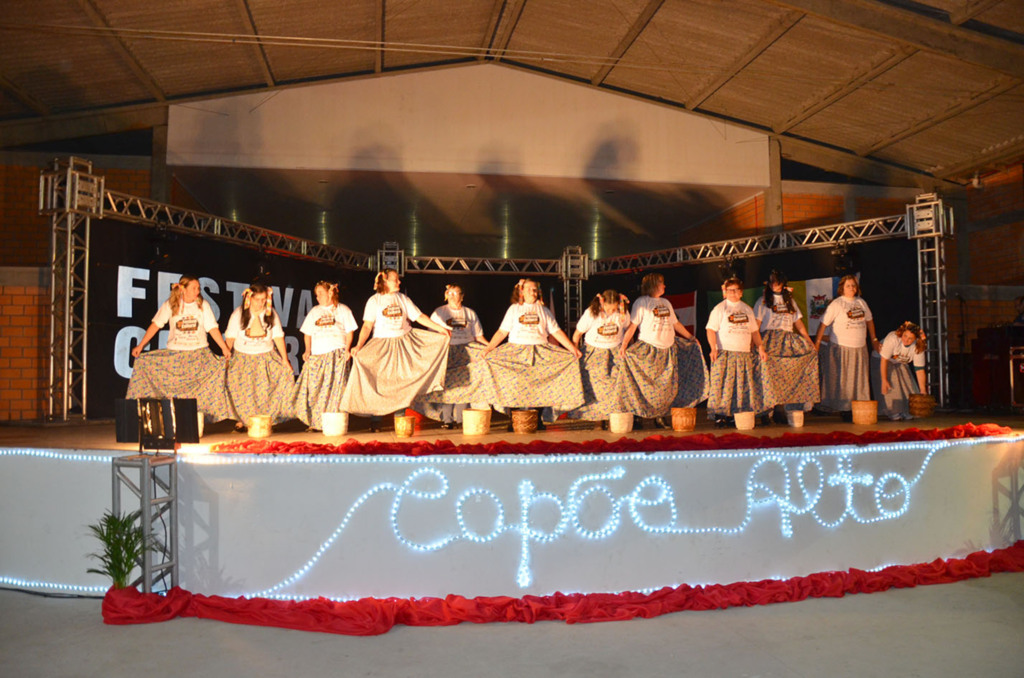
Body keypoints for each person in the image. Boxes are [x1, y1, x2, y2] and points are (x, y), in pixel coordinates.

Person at [340, 269, 451, 430]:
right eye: (395, 280)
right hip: (382, 344)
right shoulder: (375, 300)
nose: (399, 282)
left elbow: (419, 317)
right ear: (385, 281)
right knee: (381, 382)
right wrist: (359, 345)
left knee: (401, 382)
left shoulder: (402, 298)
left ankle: (400, 421)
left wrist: (440, 329)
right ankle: (376, 421)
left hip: (404, 343)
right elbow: (367, 325)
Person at [473, 278, 583, 430]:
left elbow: (556, 331)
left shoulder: (544, 311)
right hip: (516, 351)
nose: (533, 291)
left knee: (541, 387)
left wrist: (572, 349)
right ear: (521, 292)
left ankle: (537, 419)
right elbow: (502, 331)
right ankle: (515, 420)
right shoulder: (514, 309)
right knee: (514, 386)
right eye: (530, 289)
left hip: (540, 350)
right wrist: (489, 348)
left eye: (535, 289)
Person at [127, 275, 232, 422]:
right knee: (148, 366)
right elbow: (156, 325)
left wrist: (224, 348)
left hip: (199, 354)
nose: (198, 291)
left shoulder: (203, 305)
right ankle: (170, 419)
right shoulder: (171, 305)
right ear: (183, 289)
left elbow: (212, 328)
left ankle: (196, 420)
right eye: (194, 288)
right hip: (176, 354)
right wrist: (141, 345)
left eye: (198, 288)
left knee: (209, 379)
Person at [618, 272, 708, 428]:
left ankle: (660, 417)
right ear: (653, 284)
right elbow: (633, 326)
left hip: (667, 350)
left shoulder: (666, 303)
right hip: (649, 349)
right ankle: (639, 416)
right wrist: (624, 344)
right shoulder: (642, 302)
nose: (664, 286)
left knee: (666, 387)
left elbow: (675, 324)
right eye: (661, 282)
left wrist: (691, 337)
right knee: (647, 386)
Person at [223, 284, 295, 431]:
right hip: (243, 357)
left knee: (265, 390)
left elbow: (278, 336)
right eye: (257, 299)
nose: (261, 303)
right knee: (243, 391)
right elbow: (230, 337)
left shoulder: (270, 313)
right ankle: (242, 420)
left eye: (264, 299)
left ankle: (266, 419)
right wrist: (226, 356)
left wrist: (285, 360)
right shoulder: (239, 314)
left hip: (265, 356)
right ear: (249, 298)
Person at [288, 281, 358, 431]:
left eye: (320, 293)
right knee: (315, 389)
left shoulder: (343, 310)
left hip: (337, 353)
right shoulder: (314, 311)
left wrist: (347, 349)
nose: (317, 297)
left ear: (330, 293)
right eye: (316, 294)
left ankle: (332, 424)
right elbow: (307, 334)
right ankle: (315, 422)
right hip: (318, 354)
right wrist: (307, 350)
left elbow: (349, 332)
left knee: (336, 390)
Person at [415, 284, 487, 429]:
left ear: (462, 296)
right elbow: (432, 335)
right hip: (447, 350)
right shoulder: (439, 312)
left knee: (464, 384)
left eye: (456, 293)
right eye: (450, 293)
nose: (452, 296)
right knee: (448, 386)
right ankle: (447, 420)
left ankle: (461, 420)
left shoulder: (470, 313)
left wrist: (491, 348)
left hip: (467, 351)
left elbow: (479, 336)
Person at [753, 270, 819, 424]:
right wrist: (757, 345)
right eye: (772, 282)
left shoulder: (790, 300)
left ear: (783, 283)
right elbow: (756, 326)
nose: (775, 285)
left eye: (778, 281)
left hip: (788, 340)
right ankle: (767, 411)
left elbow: (799, 323)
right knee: (769, 375)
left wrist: (810, 342)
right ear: (768, 284)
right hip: (770, 340)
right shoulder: (762, 301)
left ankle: (787, 407)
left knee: (788, 373)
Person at [814, 274, 880, 421]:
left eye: (854, 285)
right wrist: (817, 344)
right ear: (842, 288)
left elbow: (869, 321)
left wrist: (874, 339)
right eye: (848, 285)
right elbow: (823, 324)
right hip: (841, 347)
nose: (852, 288)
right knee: (843, 380)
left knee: (858, 379)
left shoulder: (861, 303)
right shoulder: (837, 304)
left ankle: (857, 407)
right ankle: (844, 409)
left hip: (859, 347)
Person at [706, 276, 769, 426]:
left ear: (741, 292)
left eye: (735, 290)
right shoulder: (720, 308)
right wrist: (713, 348)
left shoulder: (747, 309)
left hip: (743, 353)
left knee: (740, 385)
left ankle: (736, 413)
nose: (732, 293)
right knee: (723, 385)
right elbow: (710, 329)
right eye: (729, 290)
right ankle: (720, 414)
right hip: (725, 352)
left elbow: (754, 332)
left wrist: (760, 347)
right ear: (725, 292)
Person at [567, 290, 630, 427]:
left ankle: (612, 418)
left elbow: (628, 330)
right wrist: (574, 352)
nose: (612, 311)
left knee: (616, 384)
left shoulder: (622, 312)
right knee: (596, 387)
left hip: (615, 352)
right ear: (602, 303)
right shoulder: (591, 313)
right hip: (595, 352)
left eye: (614, 308)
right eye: (608, 308)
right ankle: (598, 419)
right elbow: (577, 334)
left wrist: (625, 347)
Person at [872, 321, 927, 420]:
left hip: (899, 362)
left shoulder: (918, 347)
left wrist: (923, 390)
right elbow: (884, 360)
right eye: (905, 336)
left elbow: (919, 370)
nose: (906, 340)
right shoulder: (893, 338)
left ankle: (907, 410)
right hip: (881, 360)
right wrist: (884, 380)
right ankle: (894, 411)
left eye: (910, 338)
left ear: (915, 339)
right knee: (891, 384)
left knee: (908, 384)